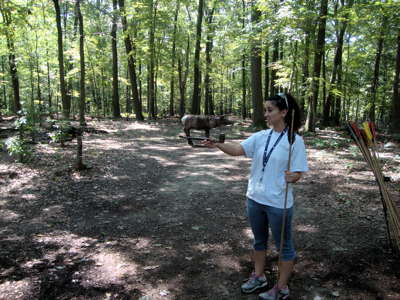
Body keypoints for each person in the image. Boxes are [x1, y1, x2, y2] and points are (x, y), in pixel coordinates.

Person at [202, 93, 308, 300]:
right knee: (259, 241)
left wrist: (293, 177)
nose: (265, 114)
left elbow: (299, 173)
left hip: (279, 203)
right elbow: (238, 149)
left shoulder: (295, 141)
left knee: (284, 246)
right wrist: (216, 144)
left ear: (284, 112)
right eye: (265, 110)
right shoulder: (261, 136)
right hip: (255, 199)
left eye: (270, 110)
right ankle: (258, 276)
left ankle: (282, 287)